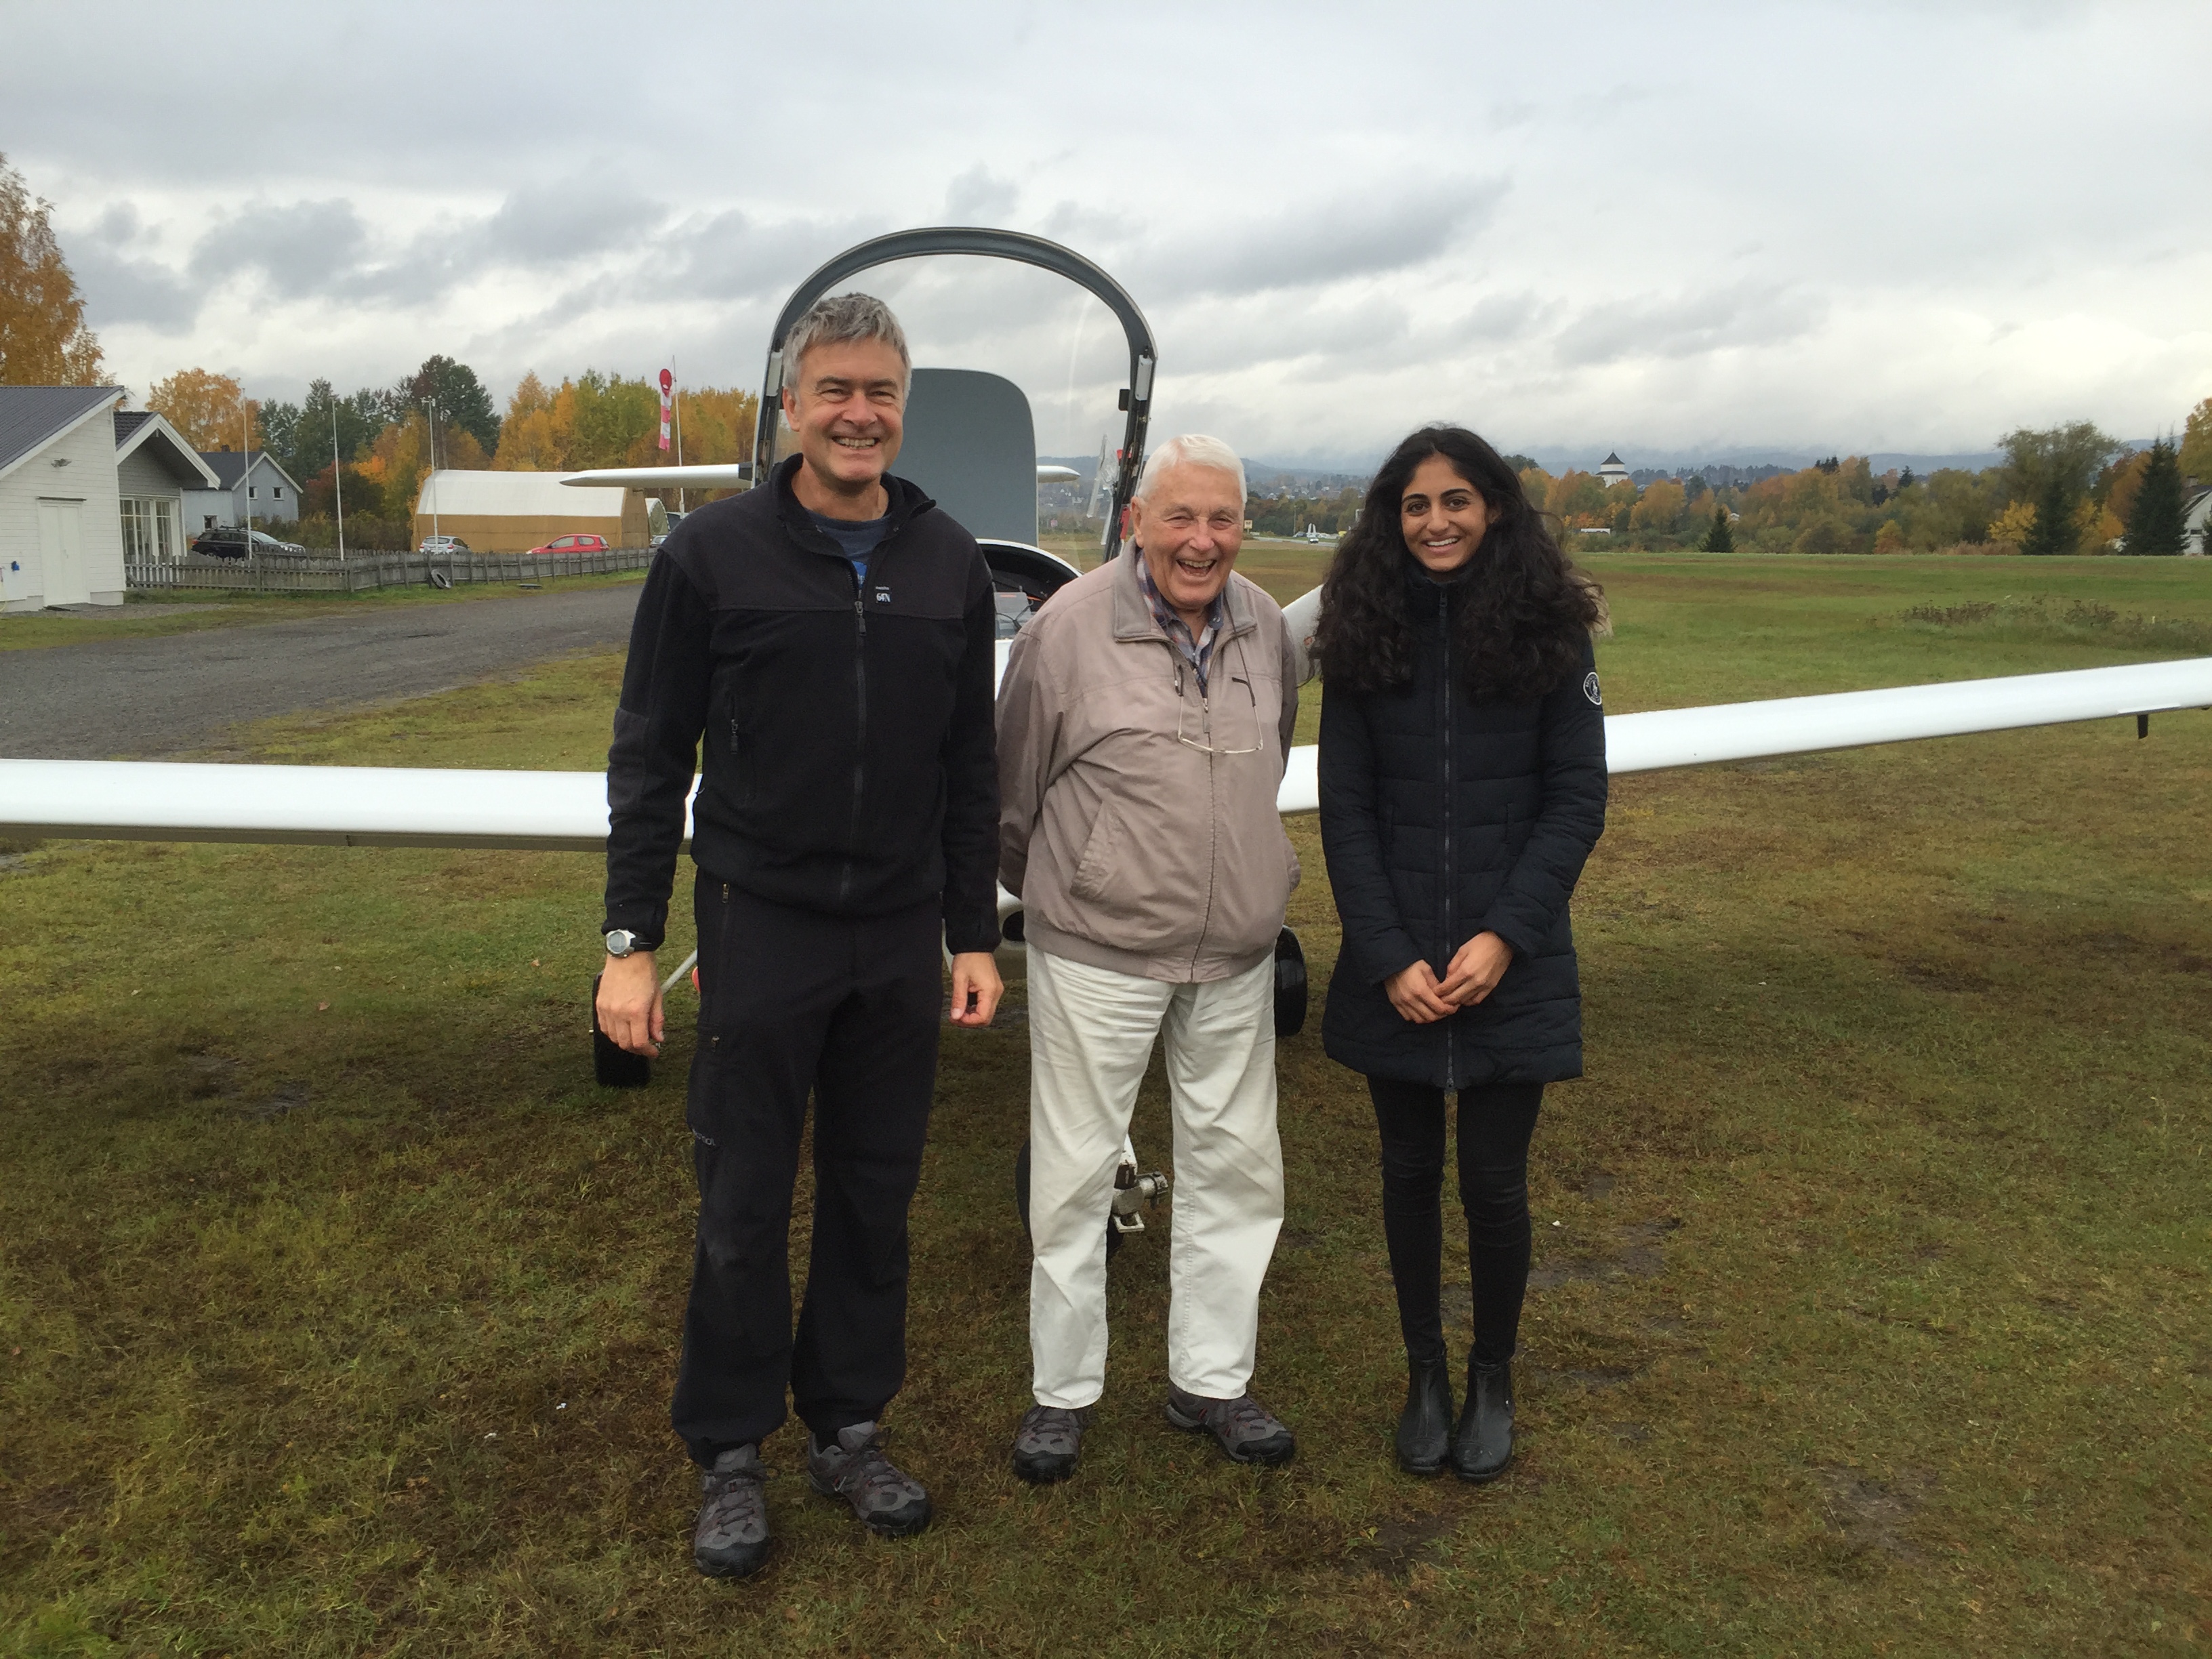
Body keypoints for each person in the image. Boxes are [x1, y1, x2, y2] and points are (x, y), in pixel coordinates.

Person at [596, 292, 1004, 1578]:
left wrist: (972, 933)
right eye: (835, 390)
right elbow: (649, 755)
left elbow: (969, 769)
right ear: (791, 405)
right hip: (758, 920)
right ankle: (729, 1449)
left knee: (876, 1196)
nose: (857, 414)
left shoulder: (949, 563)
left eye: (880, 392)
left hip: (896, 935)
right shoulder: (710, 556)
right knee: (743, 1199)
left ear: (903, 407)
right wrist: (628, 940)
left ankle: (849, 1428)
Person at [995, 434, 1303, 1484]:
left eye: (1222, 519)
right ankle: (1062, 1393)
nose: (1201, 541)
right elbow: (1011, 798)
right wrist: (1086, 884)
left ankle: (1212, 1380)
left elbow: (1269, 762)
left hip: (1235, 957)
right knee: (1076, 1175)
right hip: (1099, 953)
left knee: (1237, 1169)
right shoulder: (1065, 629)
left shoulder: (1266, 627)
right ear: (1136, 523)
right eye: (1180, 517)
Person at [1313, 424, 1607, 1482]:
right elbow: (1345, 807)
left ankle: (1492, 1375)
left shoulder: (1551, 630)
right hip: (1395, 965)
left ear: (1494, 509)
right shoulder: (1363, 630)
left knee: (1492, 1184)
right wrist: (1387, 953)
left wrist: (1505, 937)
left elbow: (1576, 799)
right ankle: (1425, 1374)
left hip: (1507, 964)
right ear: (1391, 518)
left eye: (1456, 501)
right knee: (1406, 1176)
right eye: (1415, 505)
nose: (1435, 522)